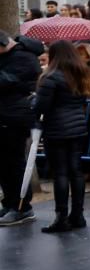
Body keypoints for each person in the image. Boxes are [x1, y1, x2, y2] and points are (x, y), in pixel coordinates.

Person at [33, 40, 90, 232]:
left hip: (56, 128)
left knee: (60, 172)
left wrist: (34, 102)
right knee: (76, 171)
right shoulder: (80, 74)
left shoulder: (50, 77)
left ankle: (61, 217)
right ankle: (77, 215)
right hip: (77, 126)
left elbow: (41, 107)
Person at [0, 31, 43, 226]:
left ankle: (22, 207)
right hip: (6, 113)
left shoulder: (24, 57)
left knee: (14, 162)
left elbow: (8, 81)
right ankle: (9, 203)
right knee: (4, 164)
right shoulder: (9, 56)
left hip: (14, 116)